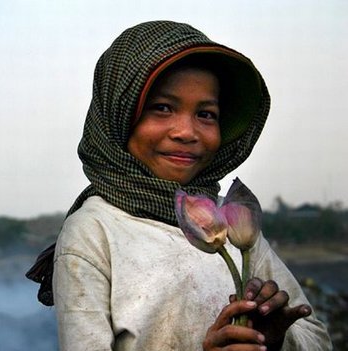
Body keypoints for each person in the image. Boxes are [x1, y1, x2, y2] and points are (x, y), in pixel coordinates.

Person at [26, 21, 332, 350]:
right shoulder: (93, 231)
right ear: (119, 114)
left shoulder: (228, 225)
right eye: (162, 108)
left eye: (206, 114)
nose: (186, 131)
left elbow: (316, 336)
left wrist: (274, 339)